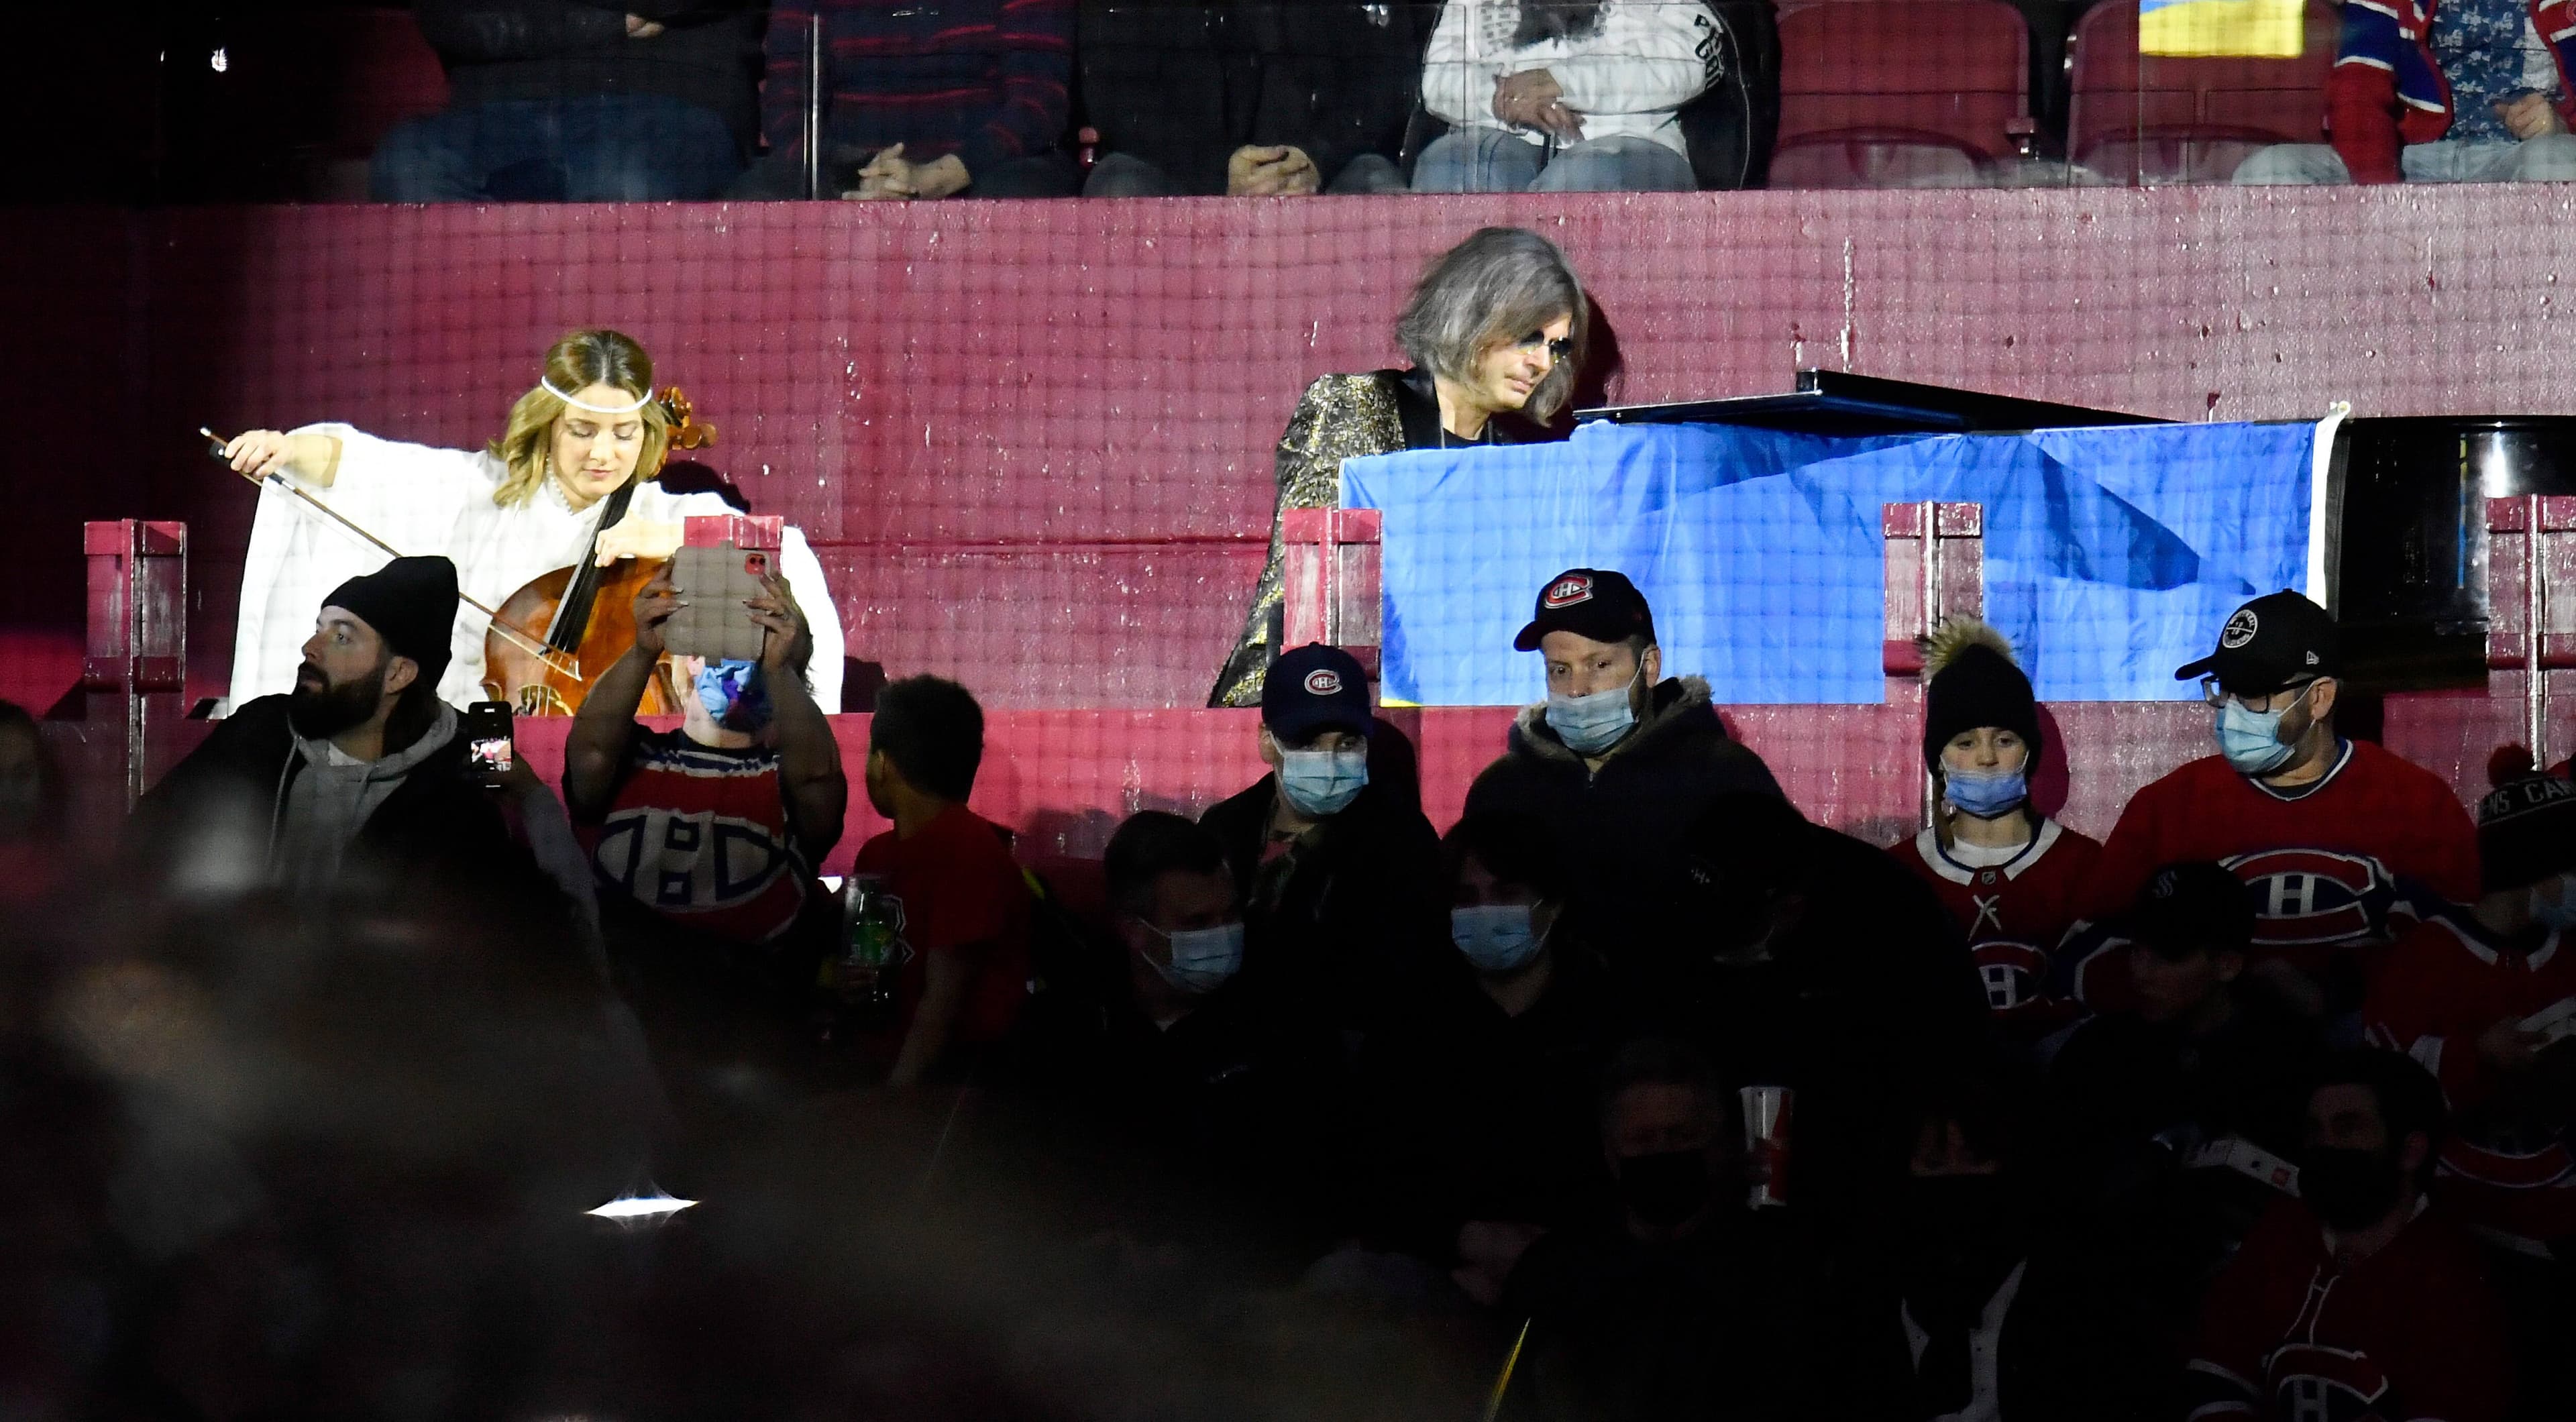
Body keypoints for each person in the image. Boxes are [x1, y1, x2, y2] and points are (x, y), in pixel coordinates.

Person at [220, 328, 844, 713]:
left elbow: (781, 548)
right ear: (548, 425)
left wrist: (670, 538)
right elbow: (367, 468)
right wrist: (288, 449)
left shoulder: (666, 512)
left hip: (611, 744)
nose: (604, 454)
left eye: (624, 434)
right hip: (483, 732)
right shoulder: (480, 489)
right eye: (583, 432)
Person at [1208, 227, 1591, 706]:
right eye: (1528, 336)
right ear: (1473, 314)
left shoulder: (1514, 465)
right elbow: (1303, 586)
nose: (1540, 362)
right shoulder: (1356, 405)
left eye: (1556, 347)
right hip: (1324, 705)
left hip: (1460, 713)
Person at [2065, 591, 2477, 1016]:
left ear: (2320, 698)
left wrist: (2344, 994)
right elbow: (2085, 951)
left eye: (2254, 694)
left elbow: (2470, 948)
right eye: (2223, 690)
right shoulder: (2169, 806)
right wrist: (2203, 1000)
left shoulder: (2415, 803)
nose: (2229, 710)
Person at [1017, 810, 1346, 1280]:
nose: (1223, 934)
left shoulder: (1280, 1019)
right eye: (1198, 922)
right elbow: (1031, 1169)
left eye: (1230, 914)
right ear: (1133, 929)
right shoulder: (1074, 1023)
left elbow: (1315, 1186)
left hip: (1250, 1286)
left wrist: (1199, 1258)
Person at [561, 562, 846, 1088]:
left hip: (743, 1058)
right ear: (691, 658)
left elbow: (818, 781)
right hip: (616, 1052)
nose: (743, 664)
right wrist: (645, 647)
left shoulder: (784, 781)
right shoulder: (636, 759)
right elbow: (591, 748)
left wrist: (781, 666)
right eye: (731, 646)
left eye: (757, 650)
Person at [136, 557, 565, 903]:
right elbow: (145, 842)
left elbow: (537, 822)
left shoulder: (475, 742)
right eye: (318, 629)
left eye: (342, 637)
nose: (310, 648)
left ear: (398, 674)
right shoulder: (260, 726)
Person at [1647, 791, 1988, 1228]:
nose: (1716, 952)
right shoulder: (1675, 899)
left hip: (1872, 1172)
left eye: (1734, 933)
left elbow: (1959, 1056)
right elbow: (1653, 1038)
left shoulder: (1893, 916)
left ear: (1791, 906)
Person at [1448, 1040, 1820, 1422]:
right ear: (1612, 1155)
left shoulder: (1769, 1278)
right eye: (1642, 1139)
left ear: (1718, 1147)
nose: (1662, 1152)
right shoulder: (1558, 1273)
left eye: (1680, 1136)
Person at [2045, 863, 2322, 1359]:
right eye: (2137, 947)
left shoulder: (2288, 1062)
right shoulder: (2101, 1053)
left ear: (2227, 964)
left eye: (2167, 954)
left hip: (2251, 1323)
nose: (2141, 970)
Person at [1461, 568, 1783, 956]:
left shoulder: (1724, 775)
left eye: (1599, 665)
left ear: (1649, 668)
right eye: (1560, 670)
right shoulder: (1503, 788)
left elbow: (1776, 920)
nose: (1577, 689)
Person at [2184, 1050, 2514, 1422]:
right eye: (2315, 1131)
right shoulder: (2282, 1231)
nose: (2325, 1147)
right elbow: (2218, 1371)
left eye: (2347, 1128)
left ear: (2410, 1151)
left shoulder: (2453, 1277)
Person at [1804, 1077, 2159, 1421]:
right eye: (1933, 1164)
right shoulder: (1869, 1285)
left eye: (1975, 1160)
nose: (1956, 1180)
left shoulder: (2068, 1279)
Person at [1349, 812, 1623, 1257]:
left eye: (1507, 893)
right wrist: (1464, 1238)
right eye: (1466, 897)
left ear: (1552, 904)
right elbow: (1375, 1171)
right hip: (1440, 1264)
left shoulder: (1605, 1014)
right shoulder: (1413, 1020)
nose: (1484, 911)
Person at [2367, 770, 2576, 1257]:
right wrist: (2475, 1055)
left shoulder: (2568, 951)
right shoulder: (2425, 958)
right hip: (2456, 1228)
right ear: (2540, 877)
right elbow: (2384, 1086)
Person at [1198, 644, 1444, 1019]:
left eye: (1346, 743)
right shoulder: (1225, 830)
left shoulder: (1403, 840)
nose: (1328, 761)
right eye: (1308, 742)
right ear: (1268, 741)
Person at [1892, 618, 2100, 1038]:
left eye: (2005, 740)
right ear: (1939, 759)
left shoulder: (2086, 866)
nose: (1987, 758)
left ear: (2029, 751)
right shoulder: (1897, 876)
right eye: (1965, 743)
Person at [372, 1, 761, 201]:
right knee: (410, 165)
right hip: (494, 108)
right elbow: (450, 17)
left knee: (625, 178)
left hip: (669, 101)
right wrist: (609, 22)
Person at [847, 674, 1032, 1085]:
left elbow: (941, 1007)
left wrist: (888, 1111)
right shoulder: (876, 856)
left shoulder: (969, 852)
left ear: (882, 763)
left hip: (951, 1100)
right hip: (883, 1078)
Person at [1073, 0, 1426, 197]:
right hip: (1177, 173)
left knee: (1376, 185)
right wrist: (1218, 173)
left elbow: (1387, 78)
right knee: (1119, 186)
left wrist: (1314, 158)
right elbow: (1113, 90)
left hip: (1322, 171)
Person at [734, 0, 1077, 201]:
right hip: (849, 174)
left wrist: (940, 177)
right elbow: (786, 113)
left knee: (1020, 194)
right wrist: (865, 174)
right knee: (755, 196)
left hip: (983, 170)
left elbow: (1039, 102)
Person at [2233, 0, 2576, 186]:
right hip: (2404, 159)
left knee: (2558, 161)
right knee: (2270, 170)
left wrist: (2561, 126)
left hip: (2518, 159)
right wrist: (2383, 201)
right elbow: (2357, 91)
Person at [1413, 0, 1720, 193]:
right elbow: (1438, 78)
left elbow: (1689, 62)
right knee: (1450, 168)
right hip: (1500, 130)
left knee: (1585, 179)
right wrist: (1505, 98)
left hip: (1632, 142)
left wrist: (1561, 83)